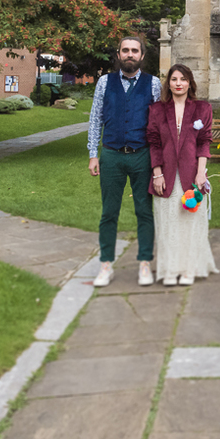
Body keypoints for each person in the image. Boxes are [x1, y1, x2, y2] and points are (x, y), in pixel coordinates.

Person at [87, 37, 161, 287]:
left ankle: (144, 263)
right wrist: (93, 154)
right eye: (125, 50)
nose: (130, 54)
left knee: (144, 211)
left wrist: (159, 162)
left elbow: (158, 124)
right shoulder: (104, 82)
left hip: (142, 156)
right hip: (111, 155)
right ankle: (106, 265)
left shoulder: (154, 84)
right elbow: (95, 118)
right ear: (118, 54)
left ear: (142, 55)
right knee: (109, 212)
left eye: (134, 51)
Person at [146, 63, 217, 286]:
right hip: (165, 176)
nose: (179, 83)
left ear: (190, 83)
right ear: (168, 83)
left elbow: (204, 141)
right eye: (174, 79)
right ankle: (169, 270)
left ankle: (189, 269)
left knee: (190, 224)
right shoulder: (157, 110)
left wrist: (201, 173)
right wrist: (157, 173)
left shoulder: (202, 109)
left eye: (183, 79)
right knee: (167, 224)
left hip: (192, 176)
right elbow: (154, 143)